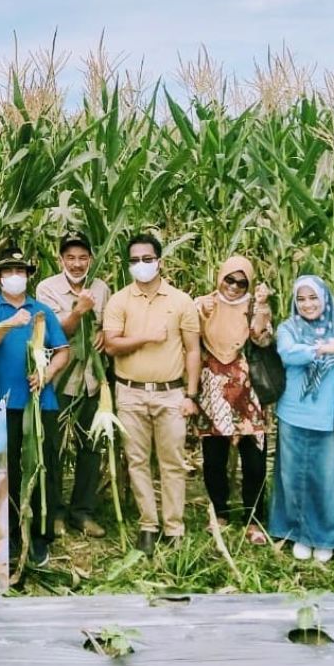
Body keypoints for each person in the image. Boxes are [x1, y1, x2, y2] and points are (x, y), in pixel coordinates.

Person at [103, 233, 201, 557]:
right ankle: (148, 525)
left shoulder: (180, 301)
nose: (141, 265)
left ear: (159, 260)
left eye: (147, 259)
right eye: (134, 260)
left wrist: (190, 394)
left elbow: (192, 351)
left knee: (172, 462)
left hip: (170, 394)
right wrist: (146, 337)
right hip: (129, 392)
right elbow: (111, 344)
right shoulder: (119, 301)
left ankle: (174, 528)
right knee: (136, 461)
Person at [269, 275, 334, 564]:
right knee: (292, 478)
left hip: (328, 417)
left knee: (327, 479)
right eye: (301, 299)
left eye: (313, 297)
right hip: (292, 414)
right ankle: (298, 533)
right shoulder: (288, 328)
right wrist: (322, 349)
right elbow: (288, 354)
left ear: (324, 299)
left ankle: (326, 536)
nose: (307, 304)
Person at [0, 246, 71, 565]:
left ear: (28, 276)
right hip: (2, 404)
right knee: (9, 471)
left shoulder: (42, 309)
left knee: (43, 467)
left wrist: (47, 374)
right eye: (8, 272)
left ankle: (41, 534)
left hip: (39, 402)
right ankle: (13, 533)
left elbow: (62, 350)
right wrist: (13, 323)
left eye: (20, 271)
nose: (15, 277)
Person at [35, 232, 110, 539]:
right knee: (53, 447)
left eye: (82, 258)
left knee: (90, 448)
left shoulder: (102, 288)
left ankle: (83, 512)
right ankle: (54, 512)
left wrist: (105, 332)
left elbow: (106, 322)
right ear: (61, 259)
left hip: (93, 380)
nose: (77, 264)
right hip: (61, 380)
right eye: (70, 258)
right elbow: (53, 333)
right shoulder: (46, 288)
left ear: (90, 259)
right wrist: (78, 310)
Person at [195, 256, 274, 545]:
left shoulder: (255, 304)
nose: (234, 287)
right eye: (229, 279)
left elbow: (262, 340)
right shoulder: (203, 303)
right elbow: (190, 338)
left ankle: (254, 519)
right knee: (213, 459)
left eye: (242, 282)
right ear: (220, 278)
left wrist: (262, 308)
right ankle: (220, 512)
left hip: (248, 393)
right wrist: (199, 312)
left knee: (254, 461)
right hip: (212, 390)